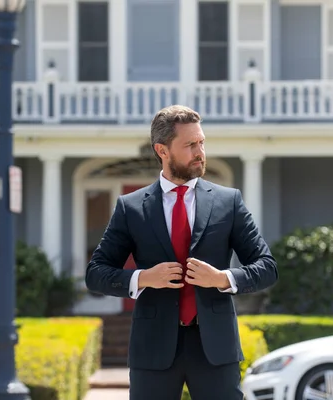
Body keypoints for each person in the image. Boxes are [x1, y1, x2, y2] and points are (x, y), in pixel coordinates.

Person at [85, 105, 278, 400]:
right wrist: (143, 278)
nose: (200, 152)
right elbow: (96, 273)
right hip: (153, 349)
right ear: (162, 150)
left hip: (215, 347)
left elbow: (267, 267)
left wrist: (223, 278)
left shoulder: (229, 202)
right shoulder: (131, 207)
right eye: (190, 145)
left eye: (201, 142)